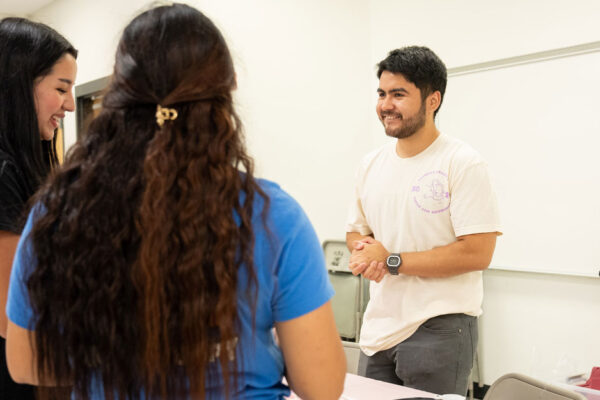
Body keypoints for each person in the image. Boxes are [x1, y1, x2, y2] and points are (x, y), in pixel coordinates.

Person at [5, 4, 345, 400]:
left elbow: (26, 363)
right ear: (226, 91)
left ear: (119, 94)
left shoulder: (60, 211)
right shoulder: (272, 214)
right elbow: (322, 386)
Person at [345, 46, 501, 395]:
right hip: (378, 329)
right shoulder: (370, 164)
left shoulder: (462, 162)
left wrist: (390, 261)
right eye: (382, 94)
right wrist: (364, 251)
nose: (386, 105)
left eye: (399, 94)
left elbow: (476, 253)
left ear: (433, 100)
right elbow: (356, 230)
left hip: (440, 328)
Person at [0, 17, 77, 400]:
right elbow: (9, 313)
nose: (71, 105)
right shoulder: (3, 173)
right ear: (18, 85)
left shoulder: (29, 168)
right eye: (61, 88)